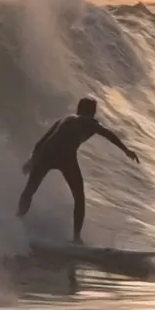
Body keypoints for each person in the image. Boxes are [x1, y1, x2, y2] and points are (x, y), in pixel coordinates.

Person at [16, 96, 140, 243]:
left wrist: (31, 161)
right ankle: (76, 238)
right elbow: (108, 134)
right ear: (90, 112)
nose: (94, 114)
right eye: (93, 111)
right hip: (65, 157)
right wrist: (125, 150)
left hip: (46, 154)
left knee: (29, 191)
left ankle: (17, 221)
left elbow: (42, 141)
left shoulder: (65, 119)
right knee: (79, 198)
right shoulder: (89, 122)